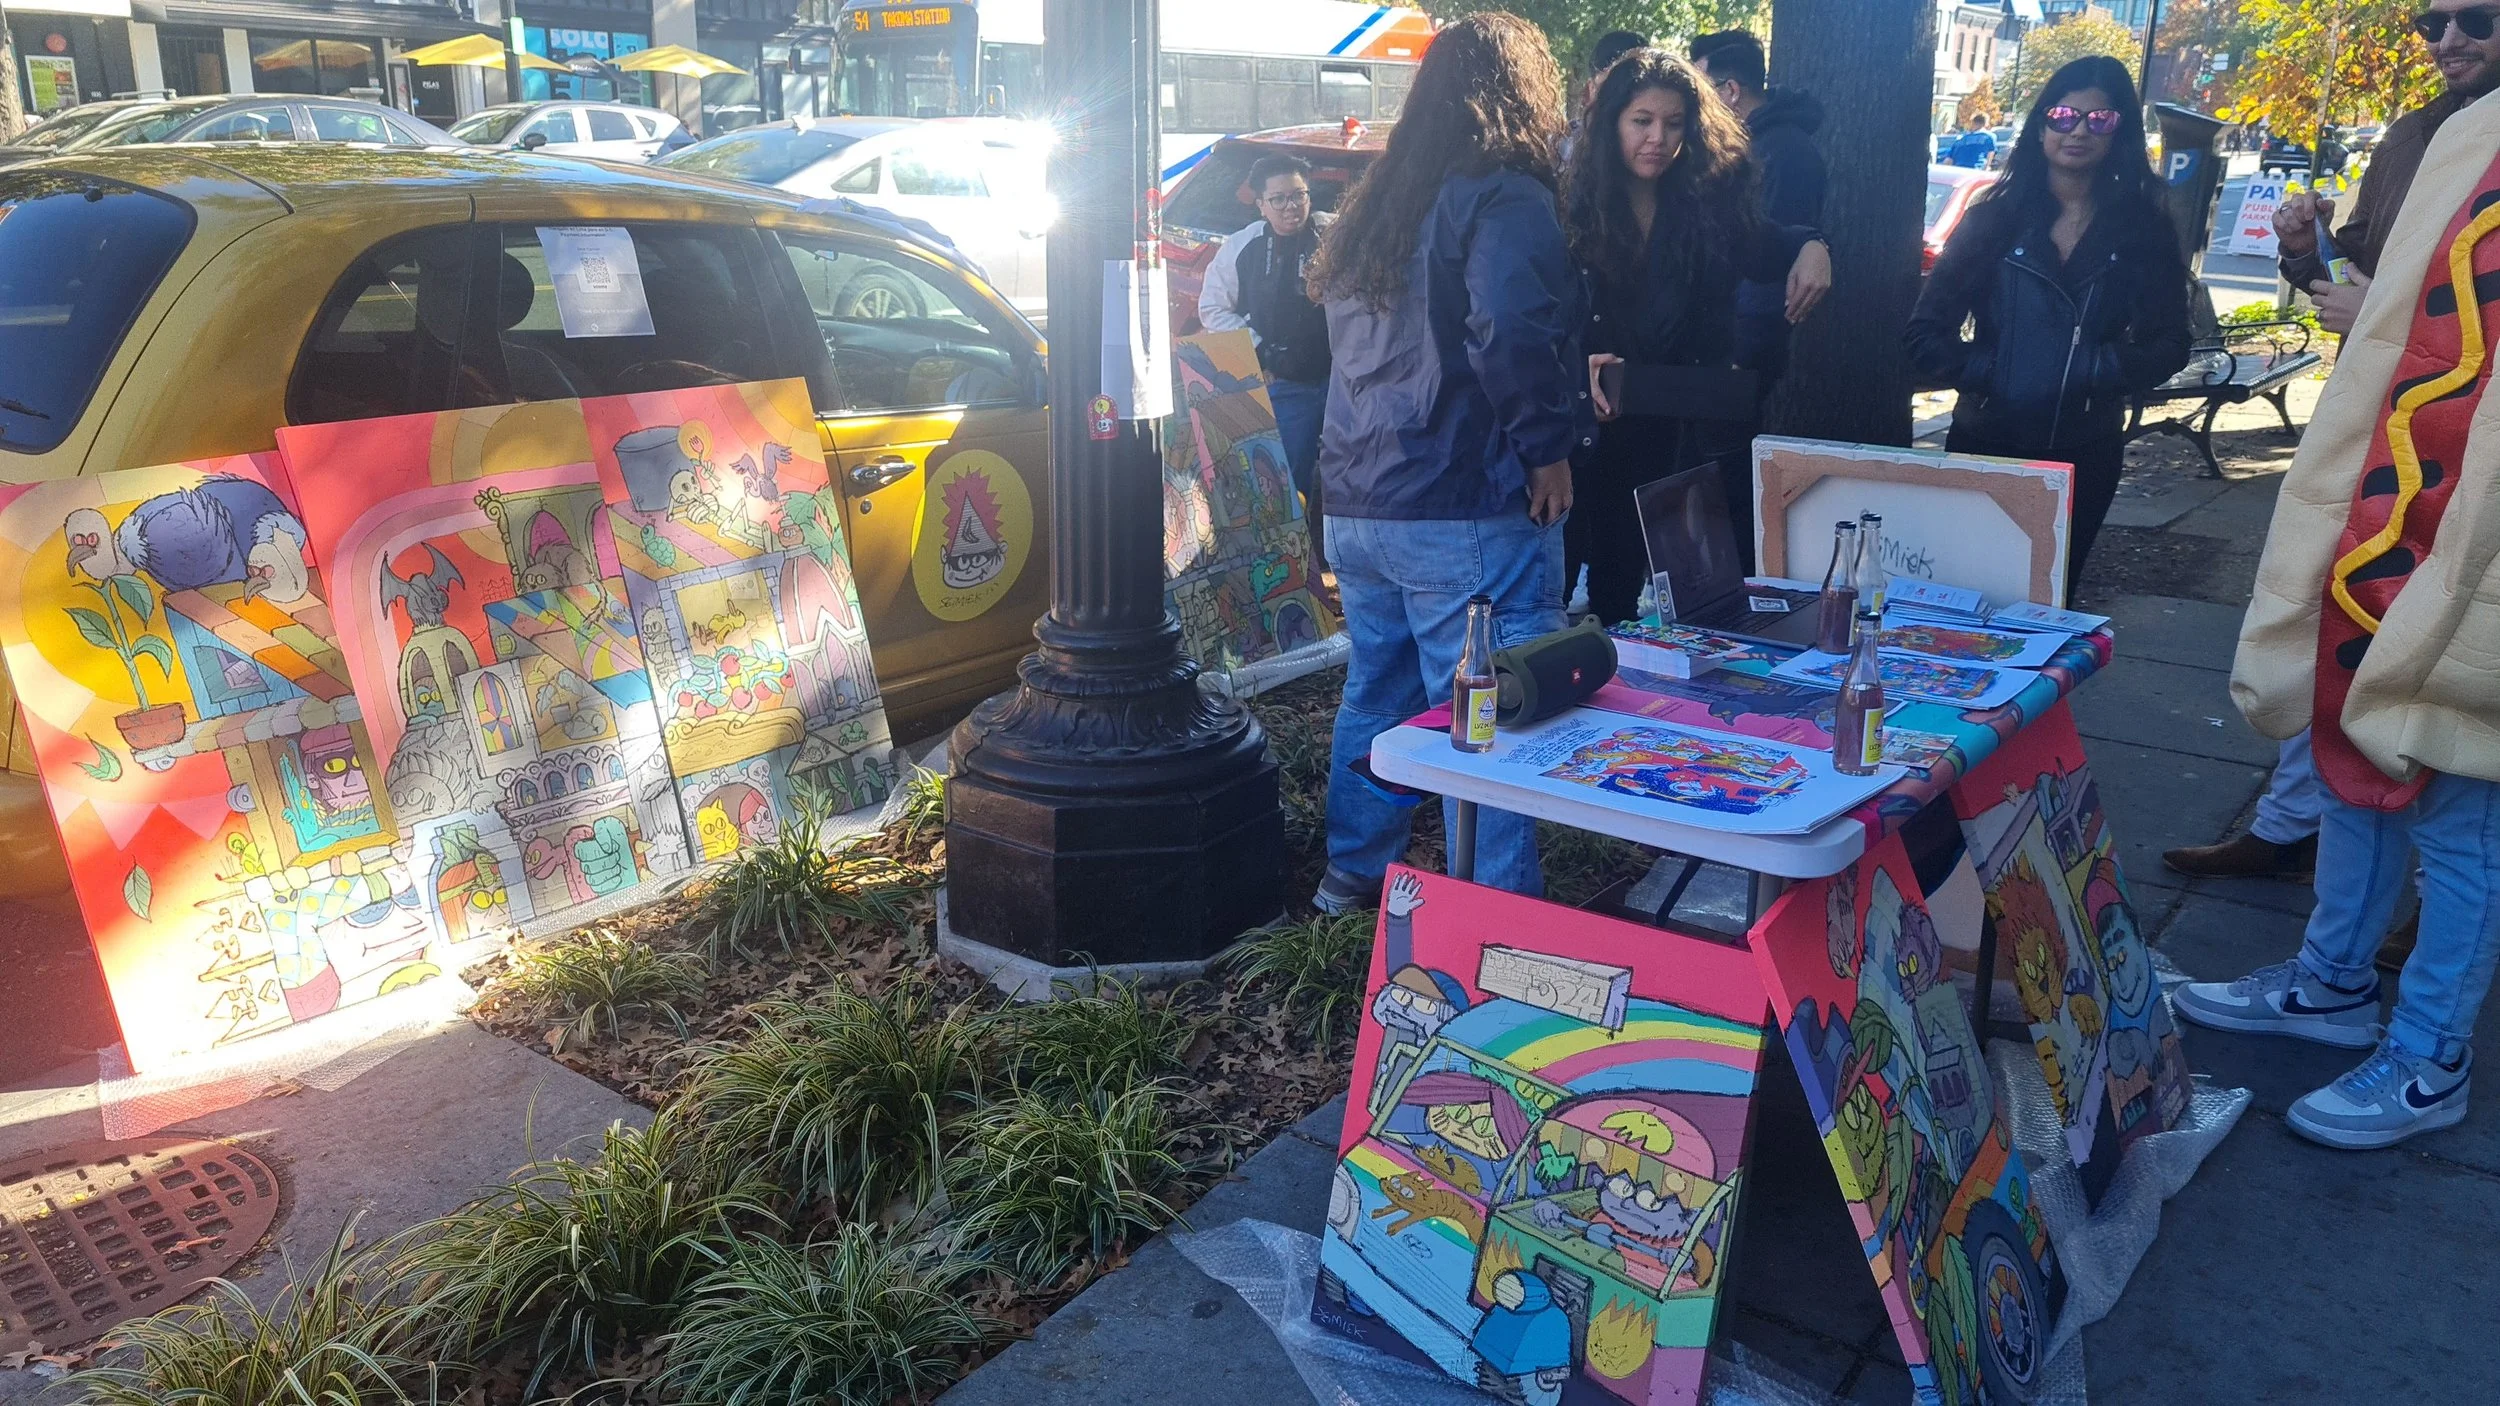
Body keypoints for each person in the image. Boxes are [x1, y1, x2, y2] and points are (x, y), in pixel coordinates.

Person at [2174, 90, 2500, 1149]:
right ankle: (2330, 983)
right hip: (2399, 505)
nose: (2451, 39)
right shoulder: (2464, 136)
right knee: (2354, 751)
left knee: (2462, 803)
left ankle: (2430, 1051)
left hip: (2477, 530)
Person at [1306, 13, 1585, 912]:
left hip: (1362, 494)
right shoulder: (1504, 193)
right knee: (1487, 716)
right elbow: (1506, 327)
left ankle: (1354, 875)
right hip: (1461, 494)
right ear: (1524, 93)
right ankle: (1491, 913)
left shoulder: (1383, 199)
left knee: (1377, 692)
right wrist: (1546, 451)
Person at [1905, 57, 2192, 602]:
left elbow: (2170, 343)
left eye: (2099, 120)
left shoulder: (2142, 228)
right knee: (1970, 601)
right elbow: (1924, 334)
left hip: (2084, 450)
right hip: (1987, 440)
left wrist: (2093, 370)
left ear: (2120, 131)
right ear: (2040, 126)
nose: (2078, 130)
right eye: (2063, 115)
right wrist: (1996, 372)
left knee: (2050, 605)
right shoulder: (1993, 219)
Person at [1564, 48, 1832, 623]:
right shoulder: (1570, 204)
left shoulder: (1707, 203)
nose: (1657, 138)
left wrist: (1814, 245)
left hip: (1677, 435)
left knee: (1672, 605)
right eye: (1642, 121)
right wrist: (1572, 365)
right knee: (1574, 592)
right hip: (1590, 431)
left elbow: (1767, 244)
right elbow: (1536, 312)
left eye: (1674, 122)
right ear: (1612, 122)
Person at [1199, 153, 1334, 551]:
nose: (1291, 207)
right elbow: (1212, 308)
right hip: (1287, 382)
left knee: (1352, 476)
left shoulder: (1337, 234)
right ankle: (1292, 563)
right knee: (1285, 477)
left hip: (1348, 382)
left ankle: (1340, 559)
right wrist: (1262, 351)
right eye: (1279, 199)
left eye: (1299, 195)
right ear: (1260, 204)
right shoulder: (1243, 247)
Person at [1690, 29, 1828, 392]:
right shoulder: (1746, 147)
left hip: (1739, 358)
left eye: (1700, 95)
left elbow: (1768, 262)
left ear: (1731, 91)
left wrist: (1743, 356)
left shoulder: (1784, 153)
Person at [1561, 29, 1648, 163]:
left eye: (1637, 87)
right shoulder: (1556, 152)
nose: (1623, 99)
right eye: (1612, 88)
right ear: (1589, 91)